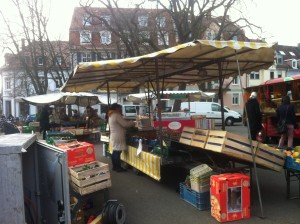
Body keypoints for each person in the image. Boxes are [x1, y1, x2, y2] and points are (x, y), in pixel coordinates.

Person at [108, 103, 134, 172]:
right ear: (116, 108)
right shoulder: (116, 115)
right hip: (118, 136)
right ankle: (118, 168)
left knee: (114, 151)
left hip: (114, 135)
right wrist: (132, 122)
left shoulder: (111, 115)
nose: (120, 109)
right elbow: (125, 124)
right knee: (117, 152)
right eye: (119, 108)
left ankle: (114, 166)